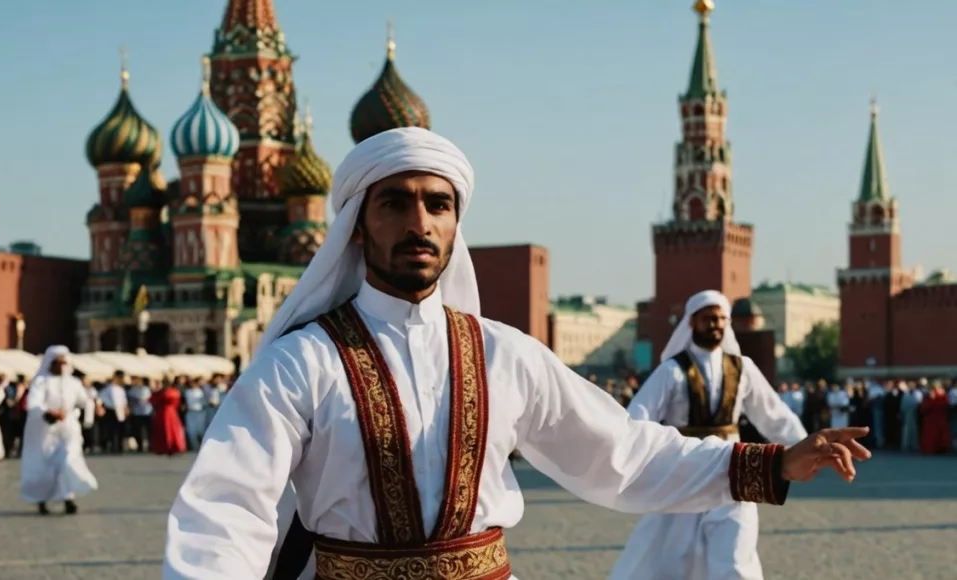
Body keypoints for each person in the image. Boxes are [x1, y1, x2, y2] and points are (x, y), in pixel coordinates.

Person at [162, 127, 870, 580]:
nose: (419, 222)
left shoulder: (505, 356)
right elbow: (226, 508)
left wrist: (771, 461)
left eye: (437, 205)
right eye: (395, 204)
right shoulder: (300, 363)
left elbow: (619, 455)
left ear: (455, 224)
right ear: (356, 227)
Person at [609, 290, 808, 580]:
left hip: (735, 468)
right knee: (674, 556)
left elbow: (773, 414)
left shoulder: (743, 368)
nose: (715, 324)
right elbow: (639, 416)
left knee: (736, 554)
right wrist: (636, 456)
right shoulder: (671, 370)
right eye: (708, 319)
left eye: (720, 319)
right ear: (691, 323)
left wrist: (803, 446)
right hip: (685, 469)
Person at [20, 345, 98, 515]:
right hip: (46, 431)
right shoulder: (41, 382)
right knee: (48, 466)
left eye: (64, 362)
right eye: (59, 362)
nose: (62, 365)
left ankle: (68, 497)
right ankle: (43, 499)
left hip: (69, 429)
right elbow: (33, 404)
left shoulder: (74, 383)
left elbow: (85, 401)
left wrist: (92, 410)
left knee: (68, 460)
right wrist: (48, 413)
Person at [150, 380, 187, 456]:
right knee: (166, 429)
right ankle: (166, 447)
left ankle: (170, 446)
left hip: (166, 412)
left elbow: (153, 400)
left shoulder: (167, 392)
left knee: (169, 429)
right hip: (167, 412)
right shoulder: (172, 392)